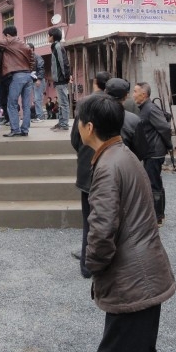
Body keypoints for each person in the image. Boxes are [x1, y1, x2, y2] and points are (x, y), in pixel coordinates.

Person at [79, 92, 176, 352]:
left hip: (132, 279)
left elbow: (102, 230)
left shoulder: (107, 166)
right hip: (143, 273)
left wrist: (93, 265)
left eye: (79, 122)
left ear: (89, 127)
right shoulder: (123, 154)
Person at [70, 71, 110, 278]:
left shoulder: (85, 105)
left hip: (87, 168)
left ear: (95, 83)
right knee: (108, 217)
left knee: (89, 219)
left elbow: (75, 138)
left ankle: (87, 265)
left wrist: (84, 151)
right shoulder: (115, 105)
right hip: (110, 167)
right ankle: (105, 262)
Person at [132, 82, 172, 226]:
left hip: (154, 152)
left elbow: (165, 127)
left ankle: (157, 217)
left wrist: (168, 145)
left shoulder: (150, 108)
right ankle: (158, 214)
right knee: (154, 182)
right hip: (150, 151)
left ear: (143, 94)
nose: (133, 94)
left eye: (135, 91)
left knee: (154, 184)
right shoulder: (144, 108)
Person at [0, 26, 34, 137]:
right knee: (26, 105)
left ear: (8, 35)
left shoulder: (9, 42)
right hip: (28, 75)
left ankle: (15, 129)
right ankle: (25, 129)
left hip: (17, 75)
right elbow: (32, 60)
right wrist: (29, 70)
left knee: (12, 103)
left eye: (4, 36)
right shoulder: (24, 44)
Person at [48, 27, 71, 131]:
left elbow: (64, 63)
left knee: (64, 103)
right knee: (61, 103)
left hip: (61, 80)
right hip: (58, 80)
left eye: (49, 36)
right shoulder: (55, 46)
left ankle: (64, 124)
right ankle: (61, 122)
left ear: (52, 36)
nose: (48, 37)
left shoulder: (58, 47)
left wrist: (66, 77)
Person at [27, 42, 45, 122]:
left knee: (38, 99)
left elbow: (41, 68)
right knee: (34, 99)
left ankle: (40, 116)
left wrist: (39, 79)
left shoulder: (38, 57)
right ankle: (37, 116)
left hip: (37, 80)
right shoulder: (27, 58)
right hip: (30, 80)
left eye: (28, 48)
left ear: (32, 49)